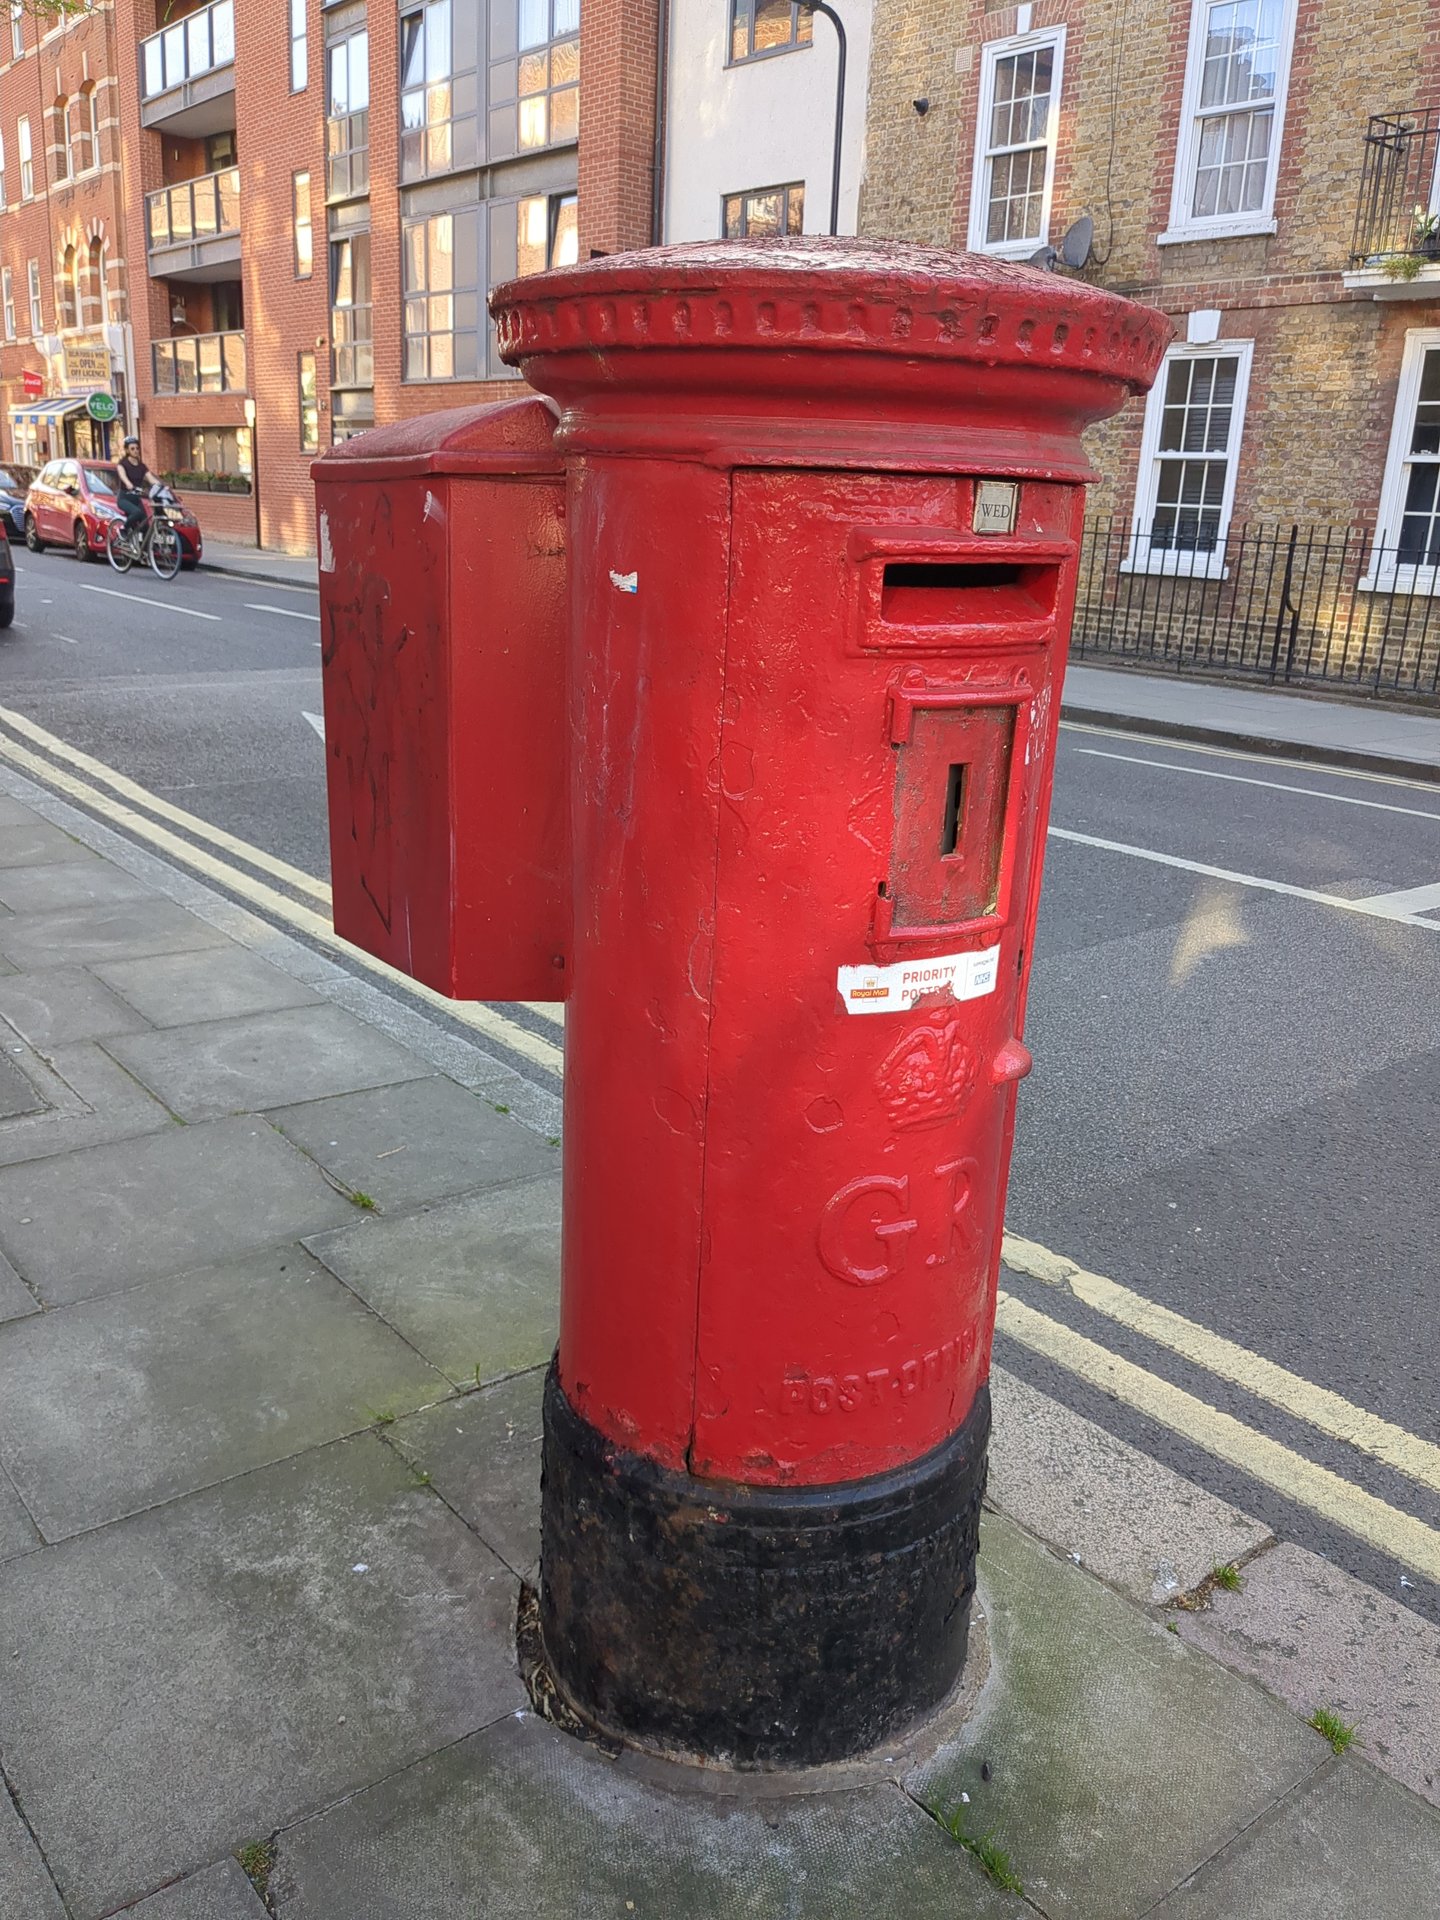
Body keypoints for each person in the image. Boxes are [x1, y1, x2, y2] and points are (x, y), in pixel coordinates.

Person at [116, 436, 153, 548]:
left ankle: (145, 551)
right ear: (127, 450)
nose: (136, 451)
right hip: (124, 498)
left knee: (146, 523)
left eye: (137, 448)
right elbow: (123, 476)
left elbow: (150, 478)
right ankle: (123, 530)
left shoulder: (142, 466)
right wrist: (128, 484)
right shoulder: (122, 464)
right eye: (132, 449)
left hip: (136, 499)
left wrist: (161, 486)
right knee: (137, 513)